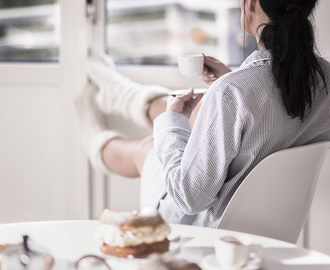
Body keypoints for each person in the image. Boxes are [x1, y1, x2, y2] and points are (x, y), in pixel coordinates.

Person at [75, 0, 330, 228]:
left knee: (149, 148)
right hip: (271, 225)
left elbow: (190, 198)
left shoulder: (232, 92)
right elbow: (277, 113)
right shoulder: (325, 78)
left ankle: (93, 137)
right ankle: (123, 95)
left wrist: (172, 122)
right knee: (190, 117)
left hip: (205, 227)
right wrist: (232, 80)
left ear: (250, 4)